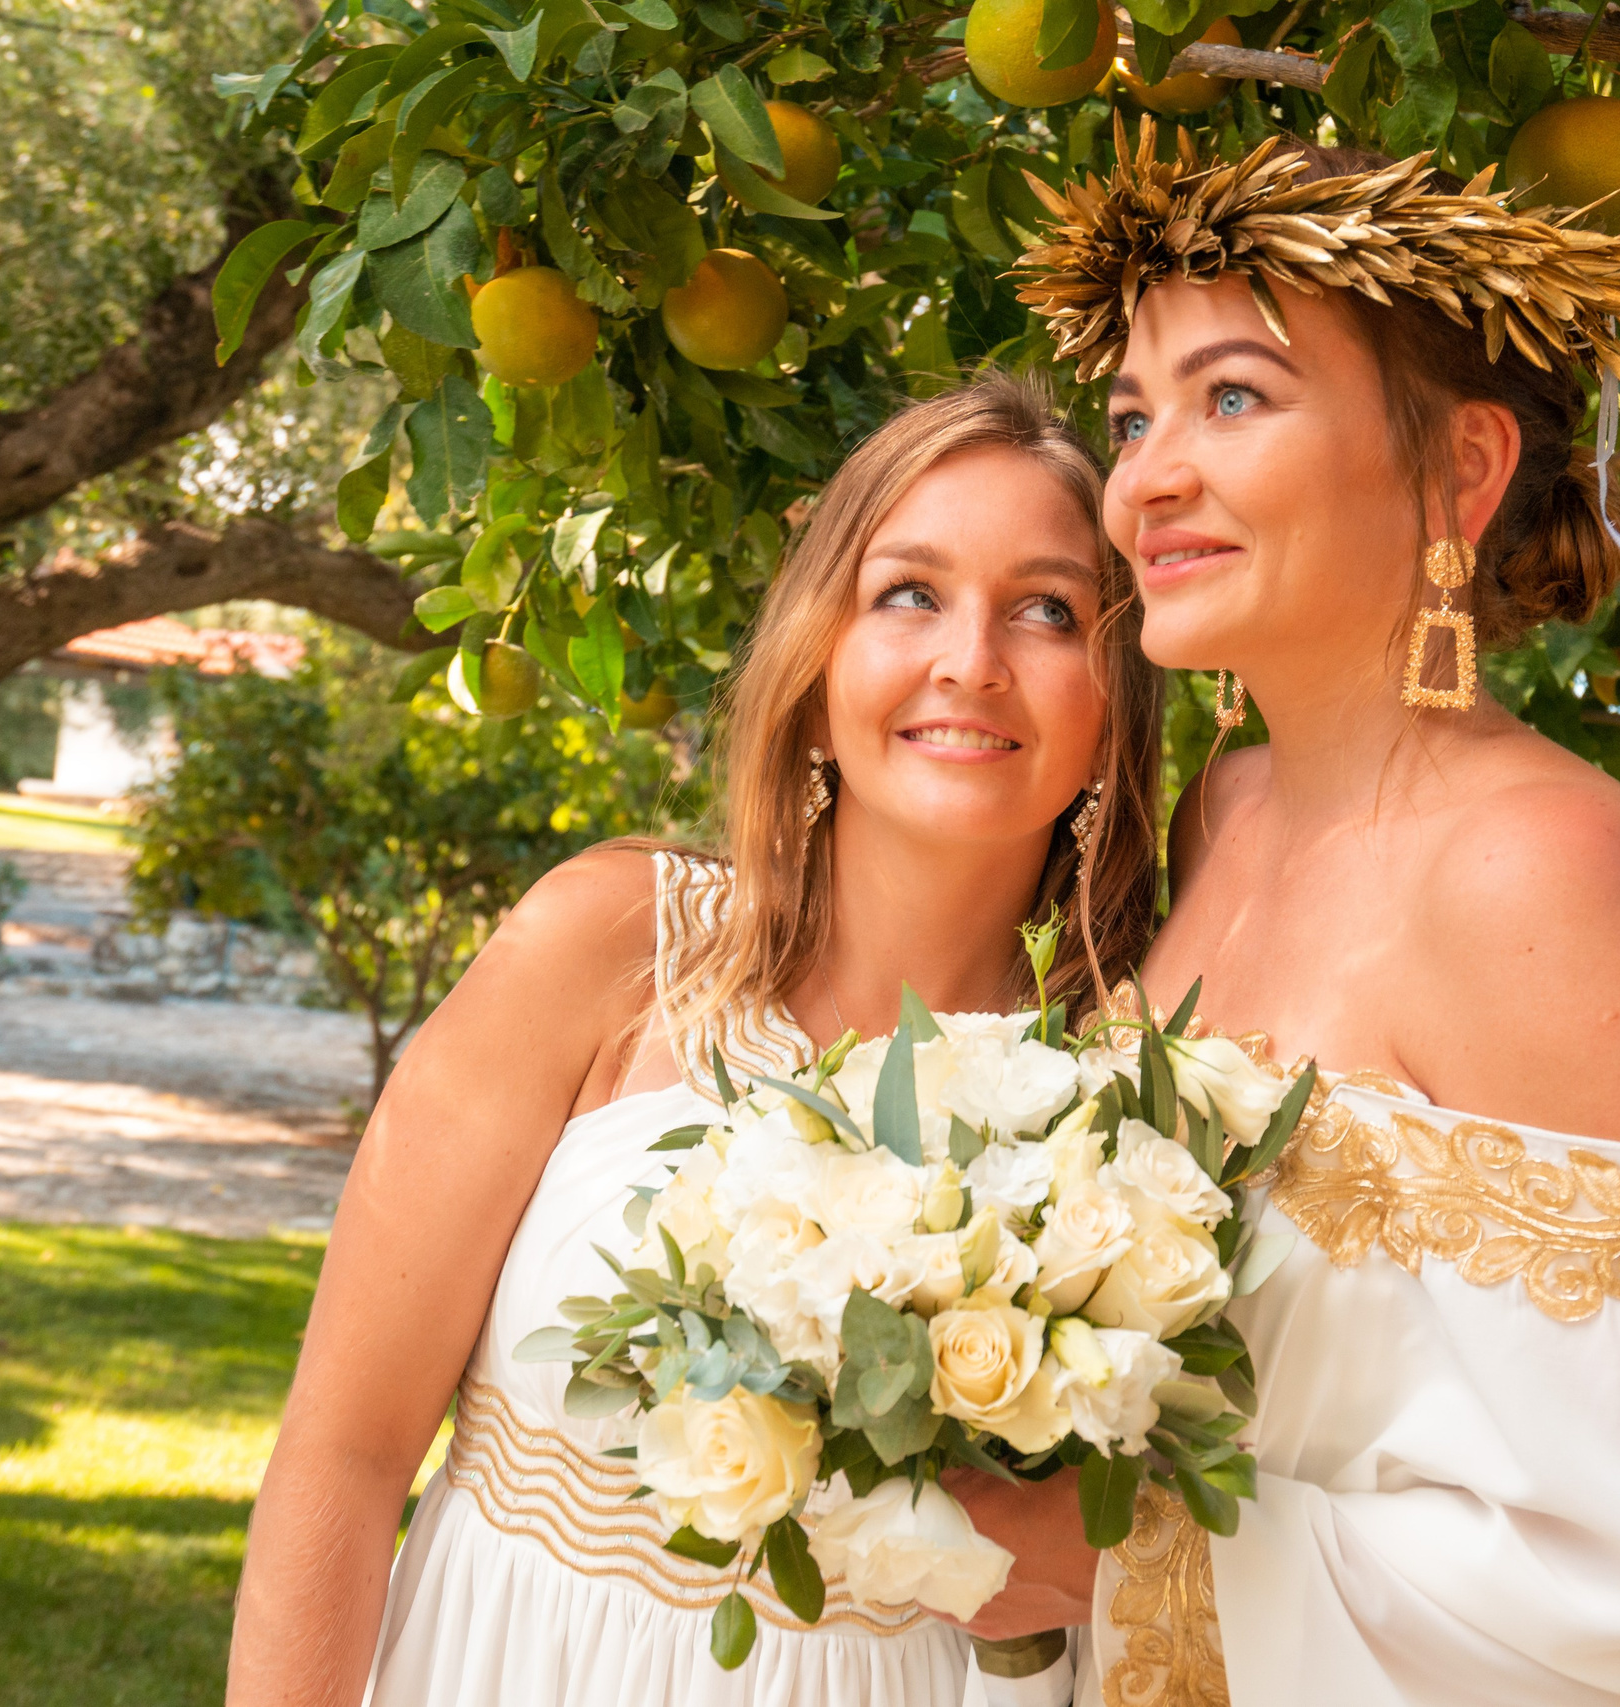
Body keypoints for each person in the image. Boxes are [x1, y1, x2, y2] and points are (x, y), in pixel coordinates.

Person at [955, 126, 1620, 1706]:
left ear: (1462, 469)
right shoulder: (1217, 809)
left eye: (1234, 398)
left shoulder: (1543, 866)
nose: (1145, 478)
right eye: (1133, 416)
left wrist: (1118, 1559)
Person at [225, 372, 1163, 1707]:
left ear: (1117, 698)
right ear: (818, 662)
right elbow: (346, 1452)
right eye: (909, 593)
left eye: (1049, 609)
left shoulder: (1128, 1108)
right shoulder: (609, 945)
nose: (971, 660)